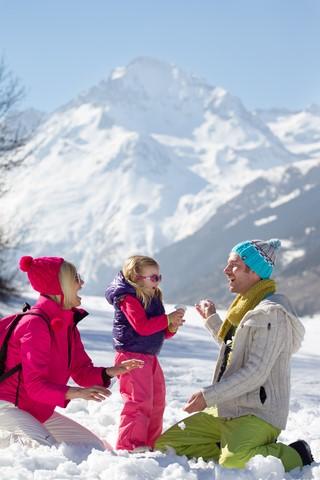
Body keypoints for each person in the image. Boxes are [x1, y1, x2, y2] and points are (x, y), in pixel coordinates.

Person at [155, 239, 314, 472]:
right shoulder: (247, 307)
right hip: (229, 407)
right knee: (166, 445)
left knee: (234, 463)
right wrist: (212, 320)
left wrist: (209, 395)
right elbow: (237, 348)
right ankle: (232, 444)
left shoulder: (271, 314)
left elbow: (256, 371)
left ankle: (294, 454)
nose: (226, 270)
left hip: (257, 413)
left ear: (254, 271)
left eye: (234, 265)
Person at [0, 255, 144, 450]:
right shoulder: (35, 325)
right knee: (46, 451)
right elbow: (35, 385)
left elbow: (81, 370)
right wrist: (77, 393)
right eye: (76, 278)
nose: (82, 283)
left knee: (96, 448)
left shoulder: (67, 324)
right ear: (59, 286)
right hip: (8, 407)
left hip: (34, 408)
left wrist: (111, 371)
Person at [105, 255, 185, 451]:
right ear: (136, 278)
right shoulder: (128, 299)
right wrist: (166, 319)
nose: (157, 282)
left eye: (159, 277)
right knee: (139, 401)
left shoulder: (153, 297)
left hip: (149, 356)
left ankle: (151, 442)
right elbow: (142, 327)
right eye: (153, 278)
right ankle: (130, 444)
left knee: (157, 400)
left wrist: (172, 326)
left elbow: (160, 333)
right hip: (131, 356)